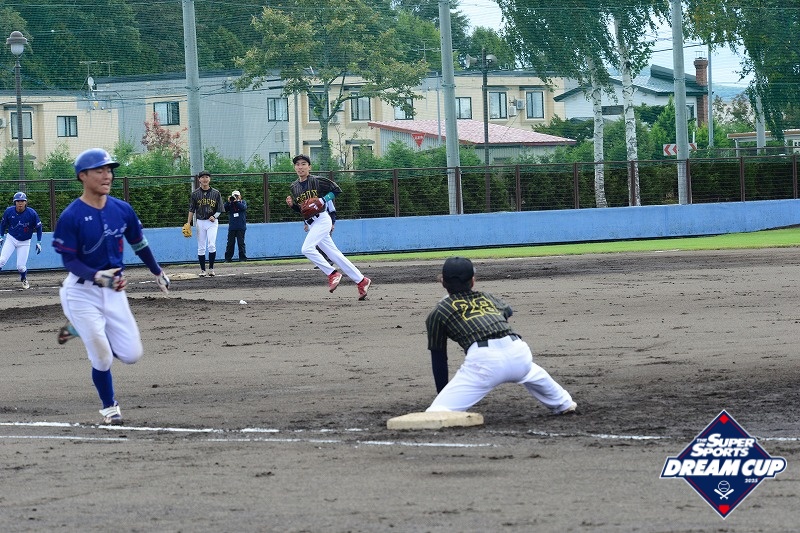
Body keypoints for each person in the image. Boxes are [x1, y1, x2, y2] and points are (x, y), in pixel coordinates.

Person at [52, 148, 170, 425]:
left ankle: (78, 328)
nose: (107, 175)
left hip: (114, 290)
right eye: (100, 170)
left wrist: (157, 271)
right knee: (102, 357)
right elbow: (69, 260)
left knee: (132, 355)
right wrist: (98, 276)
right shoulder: (71, 216)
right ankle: (109, 408)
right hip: (81, 292)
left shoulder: (121, 209)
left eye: (109, 170)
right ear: (83, 176)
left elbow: (138, 243)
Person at [424, 257, 577, 415]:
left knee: (438, 412)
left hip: (485, 363)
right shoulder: (487, 297)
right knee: (530, 371)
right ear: (473, 281)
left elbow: (439, 358)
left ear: (443, 282)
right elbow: (507, 311)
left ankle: (442, 408)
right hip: (518, 352)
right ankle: (563, 402)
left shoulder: (439, 312)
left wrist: (443, 395)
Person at [286, 154, 371, 300]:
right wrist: (293, 206)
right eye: (297, 164)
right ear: (294, 167)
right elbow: (304, 210)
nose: (300, 167)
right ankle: (361, 280)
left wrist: (323, 199)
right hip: (312, 223)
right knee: (335, 255)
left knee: (306, 249)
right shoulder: (294, 187)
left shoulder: (317, 181)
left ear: (309, 167)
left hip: (322, 219)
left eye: (304, 164)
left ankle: (332, 274)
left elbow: (336, 190)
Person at [0, 192, 43, 289]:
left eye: (22, 201)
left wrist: (39, 242)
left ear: (25, 202)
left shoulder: (32, 213)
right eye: (18, 201)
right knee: (1, 260)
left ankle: (23, 278)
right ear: (14, 202)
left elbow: (39, 227)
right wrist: (1, 236)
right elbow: (3, 224)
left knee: (20, 267)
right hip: (11, 239)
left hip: (25, 242)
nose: (20, 203)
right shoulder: (9, 211)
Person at [186, 170, 223, 276]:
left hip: (212, 223)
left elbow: (220, 209)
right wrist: (188, 223)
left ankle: (211, 269)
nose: (205, 179)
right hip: (200, 222)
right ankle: (203, 270)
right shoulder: (195, 194)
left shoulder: (216, 193)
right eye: (202, 177)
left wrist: (214, 216)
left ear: (209, 179)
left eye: (207, 177)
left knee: (211, 245)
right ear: (199, 179)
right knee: (201, 247)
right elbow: (191, 209)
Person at [223, 189, 248, 262]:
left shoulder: (243, 202)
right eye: (234, 196)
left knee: (241, 243)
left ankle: (242, 258)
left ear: (240, 196)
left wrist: (236, 202)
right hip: (232, 227)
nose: (236, 197)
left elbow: (243, 208)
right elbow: (224, 209)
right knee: (230, 243)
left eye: (237, 196)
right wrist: (228, 202)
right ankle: (228, 258)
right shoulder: (230, 204)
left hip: (241, 226)